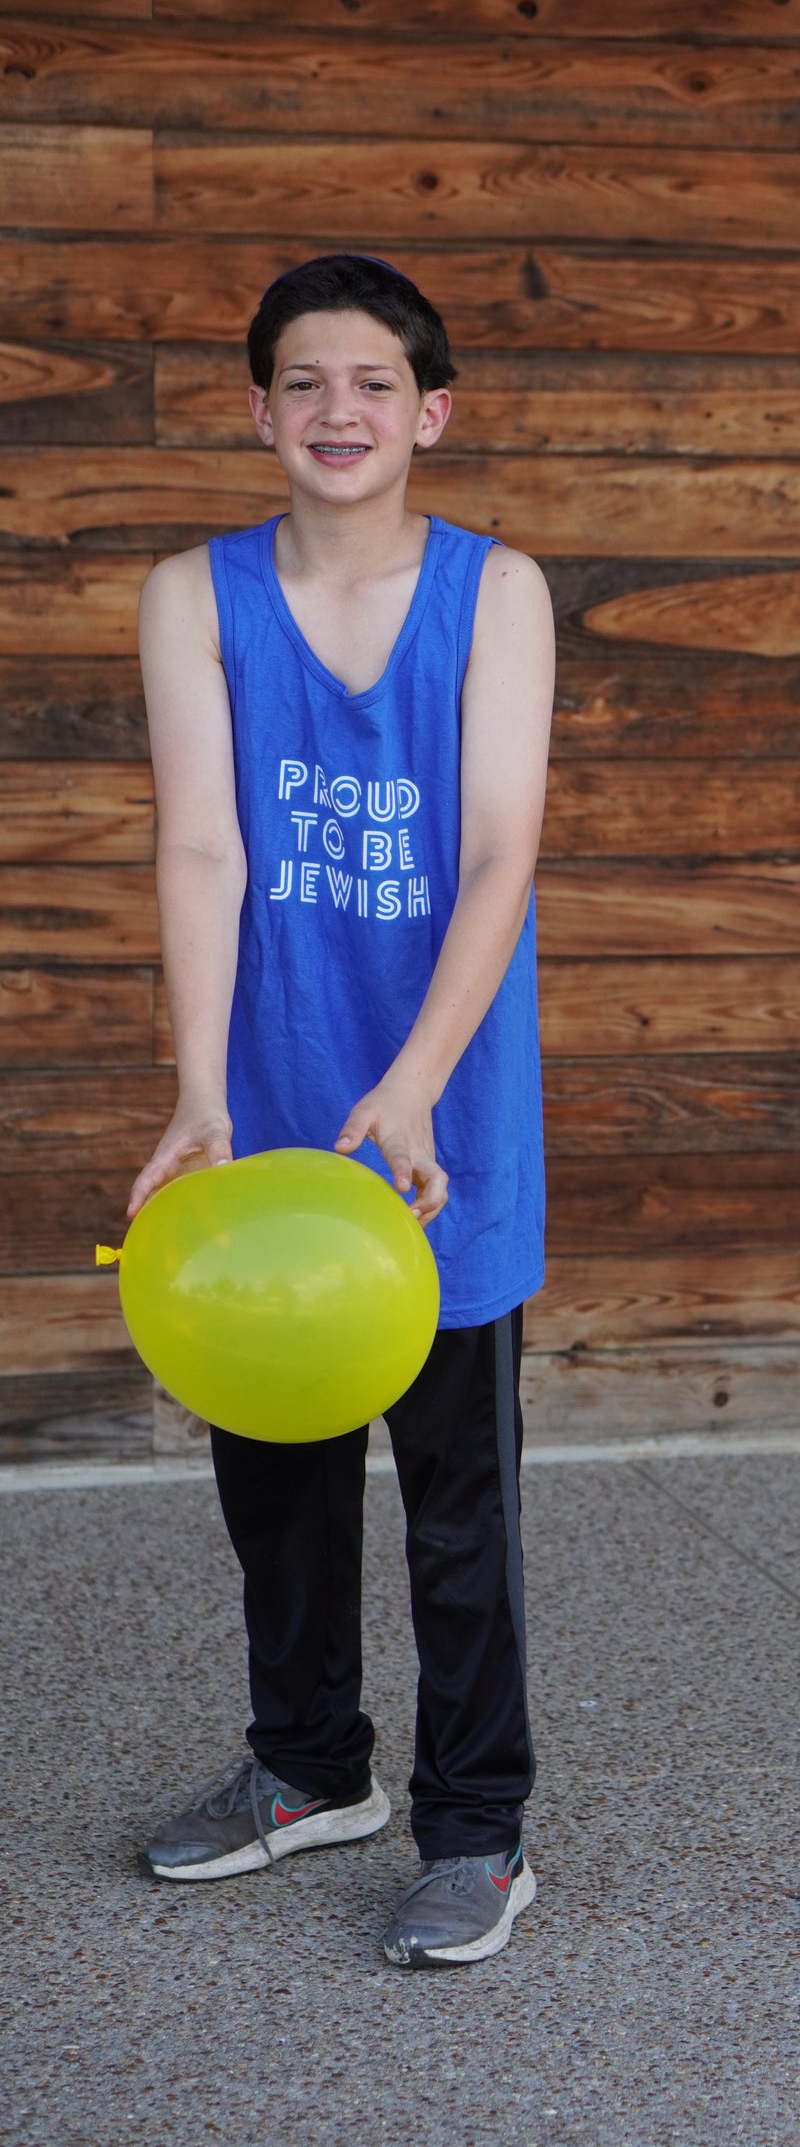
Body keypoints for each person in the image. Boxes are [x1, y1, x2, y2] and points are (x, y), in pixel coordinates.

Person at [125, 252, 554, 1969]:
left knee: (461, 1508)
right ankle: (309, 1771)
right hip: (281, 1119)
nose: (338, 414)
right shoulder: (192, 594)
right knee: (278, 1489)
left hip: (443, 1116)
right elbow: (205, 849)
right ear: (258, 412)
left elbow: (501, 854)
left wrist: (414, 1080)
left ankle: (478, 1828)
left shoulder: (496, 591)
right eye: (303, 384)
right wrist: (200, 1089)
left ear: (428, 414)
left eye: (373, 384)